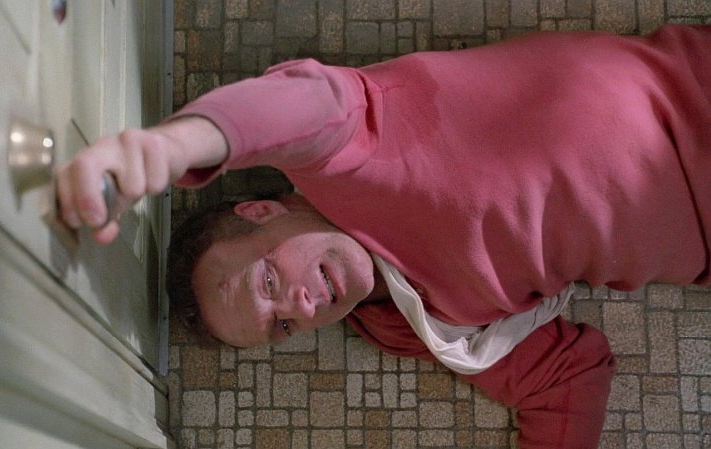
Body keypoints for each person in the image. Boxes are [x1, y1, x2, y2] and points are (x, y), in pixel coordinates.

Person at [56, 24, 711, 449]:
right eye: (282, 326)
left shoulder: (347, 154)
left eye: (269, 281)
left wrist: (171, 146)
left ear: (260, 212)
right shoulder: (405, 325)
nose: (300, 309)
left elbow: (294, 105)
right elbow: (565, 374)